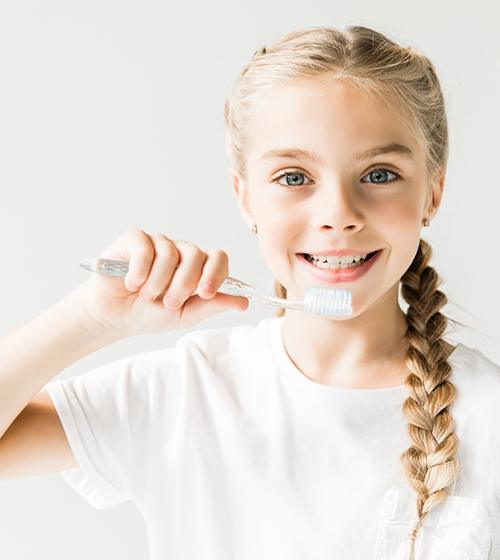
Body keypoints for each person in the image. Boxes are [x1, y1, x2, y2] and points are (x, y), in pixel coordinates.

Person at [0, 24, 498, 560]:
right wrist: (90, 319)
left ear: (434, 191)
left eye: (379, 174)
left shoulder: (488, 413)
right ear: (245, 198)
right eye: (292, 177)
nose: (337, 215)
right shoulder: (184, 393)